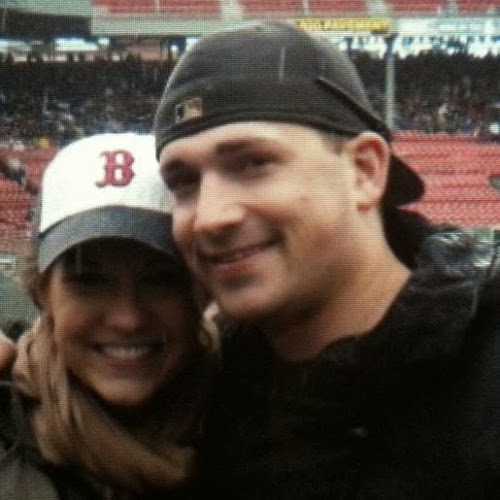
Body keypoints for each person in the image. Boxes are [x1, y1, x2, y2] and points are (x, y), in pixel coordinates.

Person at [153, 22, 500, 498]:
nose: (210, 218)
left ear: (364, 171)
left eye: (254, 163)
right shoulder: (195, 396)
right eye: (184, 182)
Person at [0, 132, 215, 499]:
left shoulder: (269, 412)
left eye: (161, 279)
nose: (127, 319)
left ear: (202, 291)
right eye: (89, 280)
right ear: (41, 290)